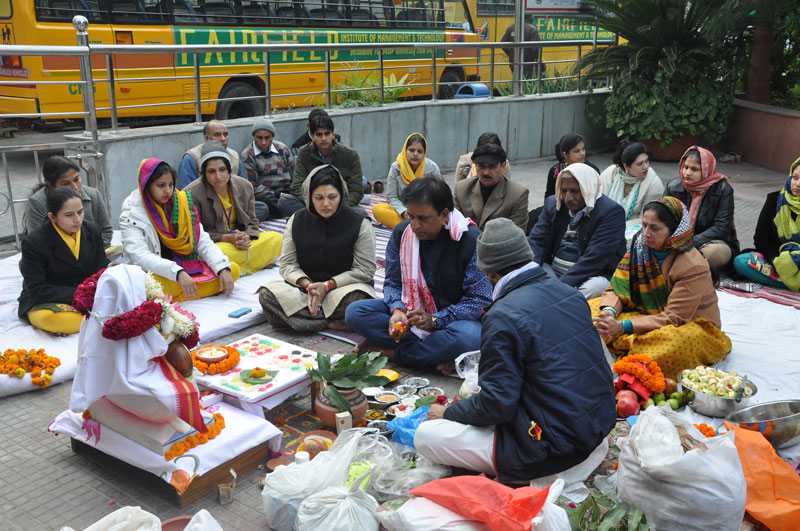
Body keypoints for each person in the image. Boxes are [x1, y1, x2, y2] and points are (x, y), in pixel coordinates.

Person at [415, 218, 615, 484]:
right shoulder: (569, 293)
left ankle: (528, 473)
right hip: (595, 433)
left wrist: (448, 413)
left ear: (490, 274)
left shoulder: (502, 316)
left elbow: (496, 407)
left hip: (554, 452)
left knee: (426, 435)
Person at [345, 177, 492, 369]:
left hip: (455, 320)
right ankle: (433, 353)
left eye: (423, 218)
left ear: (444, 214)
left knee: (469, 337)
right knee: (356, 313)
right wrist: (398, 310)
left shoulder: (470, 240)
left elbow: (479, 300)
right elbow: (393, 282)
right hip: (411, 314)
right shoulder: (401, 233)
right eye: (411, 216)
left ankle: (393, 353)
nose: (415, 226)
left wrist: (435, 320)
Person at [591, 197, 732, 378]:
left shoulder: (692, 265)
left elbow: (674, 317)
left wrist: (621, 326)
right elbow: (618, 288)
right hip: (643, 312)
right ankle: (626, 346)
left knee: (675, 345)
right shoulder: (639, 247)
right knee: (588, 310)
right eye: (644, 225)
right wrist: (609, 314)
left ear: (674, 231)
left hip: (686, 324)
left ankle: (620, 347)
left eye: (655, 228)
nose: (646, 233)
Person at [258, 165, 376, 332]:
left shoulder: (359, 222)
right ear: (309, 197)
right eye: (319, 198)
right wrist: (308, 286)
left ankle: (302, 321)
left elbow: (365, 269)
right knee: (267, 296)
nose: (326, 204)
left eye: (332, 197)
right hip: (305, 291)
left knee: (358, 302)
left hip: (342, 291)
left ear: (341, 195)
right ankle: (332, 323)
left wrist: (327, 286)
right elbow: (287, 265)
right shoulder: (296, 220)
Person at [120, 158, 238, 302]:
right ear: (146, 185)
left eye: (171, 184)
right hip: (155, 273)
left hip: (184, 270)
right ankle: (184, 292)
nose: (168, 191)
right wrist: (177, 272)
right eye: (161, 185)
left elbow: (202, 241)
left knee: (232, 270)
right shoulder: (132, 213)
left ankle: (181, 295)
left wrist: (221, 267)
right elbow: (139, 256)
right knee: (150, 286)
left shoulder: (181, 203)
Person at [18, 186, 110, 335]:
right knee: (51, 318)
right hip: (51, 299)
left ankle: (93, 319)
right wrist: (82, 294)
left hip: (89, 297)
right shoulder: (34, 242)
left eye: (80, 212)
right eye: (69, 215)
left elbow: (101, 269)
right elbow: (37, 290)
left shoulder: (92, 230)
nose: (77, 219)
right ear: (52, 217)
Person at [528, 162, 626, 299]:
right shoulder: (553, 204)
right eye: (564, 191)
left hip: (592, 275)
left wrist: (558, 287)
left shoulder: (611, 212)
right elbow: (537, 242)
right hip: (553, 272)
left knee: (590, 289)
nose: (567, 198)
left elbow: (594, 259)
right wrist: (529, 273)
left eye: (575, 191)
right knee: (530, 276)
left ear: (589, 189)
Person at [184, 142, 282, 275]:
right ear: (204, 174)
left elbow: (252, 221)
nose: (218, 176)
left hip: (241, 242)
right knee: (216, 253)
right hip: (217, 243)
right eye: (211, 171)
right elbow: (196, 234)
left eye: (222, 170)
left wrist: (245, 237)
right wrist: (227, 238)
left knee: (276, 238)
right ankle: (250, 264)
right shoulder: (191, 194)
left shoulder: (244, 186)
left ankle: (236, 267)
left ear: (229, 170)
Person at [664, 146, 739, 273]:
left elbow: (721, 228)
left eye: (694, 169)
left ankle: (682, 267)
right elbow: (663, 217)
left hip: (710, 242)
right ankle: (682, 267)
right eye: (685, 167)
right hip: (676, 242)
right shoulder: (673, 186)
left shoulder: (723, 190)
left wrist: (689, 242)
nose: (687, 173)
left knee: (716, 253)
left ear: (706, 170)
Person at [733, 157, 800, 291]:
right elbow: (761, 238)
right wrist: (778, 261)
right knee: (742, 262)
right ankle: (789, 282)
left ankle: (789, 281)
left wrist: (794, 260)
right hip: (777, 262)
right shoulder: (774, 200)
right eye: (795, 177)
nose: (797, 184)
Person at [279, 114, 364, 215]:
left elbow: (356, 190)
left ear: (333, 134)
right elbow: (297, 186)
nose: (324, 138)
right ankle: (318, 217)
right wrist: (317, 205)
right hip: (313, 203)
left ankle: (315, 219)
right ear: (312, 136)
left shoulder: (350, 154)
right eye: (319, 135)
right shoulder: (304, 153)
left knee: (361, 213)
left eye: (327, 134)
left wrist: (335, 208)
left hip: (340, 205)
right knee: (284, 203)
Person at [23, 156, 113, 247]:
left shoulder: (93, 195)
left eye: (76, 179)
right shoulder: (37, 203)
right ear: (50, 185)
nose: (75, 186)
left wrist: (89, 252)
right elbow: (37, 242)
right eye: (65, 184)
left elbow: (106, 232)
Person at [372, 133, 442, 228]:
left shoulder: (432, 168)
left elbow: (439, 195)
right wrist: (404, 211)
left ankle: (407, 226)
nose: (415, 154)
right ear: (405, 150)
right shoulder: (396, 167)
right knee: (378, 210)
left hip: (425, 211)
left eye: (420, 151)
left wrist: (423, 211)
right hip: (404, 211)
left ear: (424, 153)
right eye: (411, 150)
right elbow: (392, 197)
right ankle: (416, 226)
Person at [454, 143, 529, 231]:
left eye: (492, 166)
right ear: (475, 166)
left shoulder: (518, 194)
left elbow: (515, 234)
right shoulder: (461, 189)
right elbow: (454, 226)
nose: (486, 172)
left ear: (503, 166)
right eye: (481, 166)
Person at [240, 118, 296, 220]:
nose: (263, 142)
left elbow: (295, 174)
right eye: (259, 138)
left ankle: (283, 210)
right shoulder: (248, 155)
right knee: (263, 201)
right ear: (254, 137)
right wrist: (279, 195)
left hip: (287, 192)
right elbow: (253, 186)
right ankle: (287, 210)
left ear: (272, 137)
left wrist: (291, 194)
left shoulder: (283, 149)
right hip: (268, 195)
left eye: (267, 138)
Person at [599, 140, 664, 225]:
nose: (645, 167)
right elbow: (598, 204)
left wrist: (616, 227)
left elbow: (646, 219)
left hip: (634, 229)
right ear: (626, 166)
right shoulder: (611, 173)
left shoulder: (653, 183)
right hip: (604, 223)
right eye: (640, 164)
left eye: (647, 161)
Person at [177, 119, 243, 189]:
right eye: (217, 135)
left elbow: (242, 187)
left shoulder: (235, 156)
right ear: (206, 138)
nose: (223, 139)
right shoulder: (192, 158)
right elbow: (187, 191)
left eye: (225, 134)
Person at [544, 133, 600, 202]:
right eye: (577, 151)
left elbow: (597, 196)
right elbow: (549, 196)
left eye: (583, 149)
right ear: (565, 154)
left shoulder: (592, 170)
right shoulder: (555, 171)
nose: (582, 153)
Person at [500, 14, 542, 80]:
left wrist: (511, 54)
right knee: (528, 82)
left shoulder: (511, 28)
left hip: (514, 62)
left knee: (517, 81)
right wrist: (534, 61)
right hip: (528, 64)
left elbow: (503, 44)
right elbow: (535, 49)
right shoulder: (532, 29)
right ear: (530, 17)